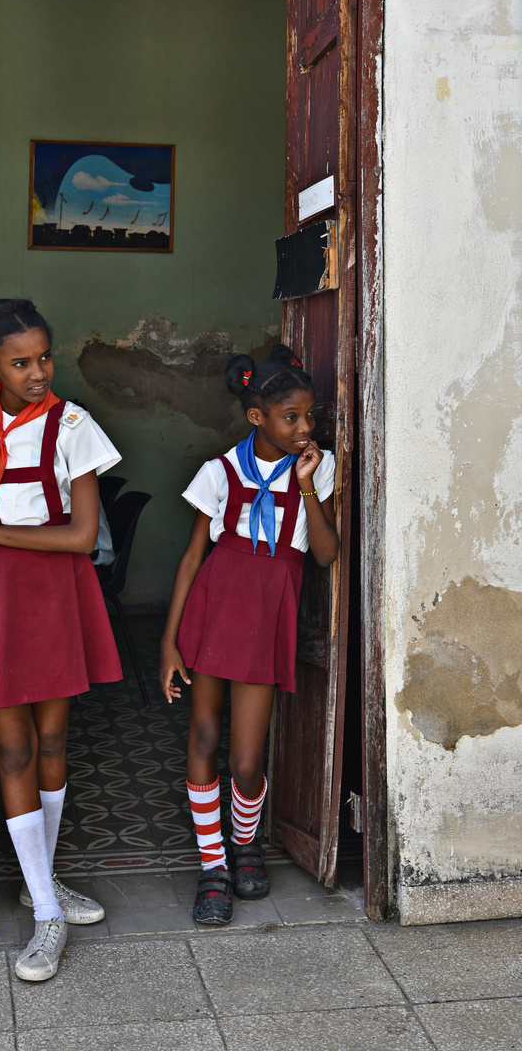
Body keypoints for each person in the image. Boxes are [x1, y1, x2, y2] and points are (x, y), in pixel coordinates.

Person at [0, 298, 123, 981]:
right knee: (10, 742)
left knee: (53, 740)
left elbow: (84, 536)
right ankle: (47, 913)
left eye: (44, 358)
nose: (38, 372)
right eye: (20, 362)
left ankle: (42, 887)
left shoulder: (73, 425)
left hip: (54, 590)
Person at [159, 344, 339, 924]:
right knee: (204, 737)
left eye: (310, 416)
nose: (305, 427)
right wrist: (169, 643)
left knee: (244, 759)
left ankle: (246, 845)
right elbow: (191, 558)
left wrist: (308, 486)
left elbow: (326, 555)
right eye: (292, 417)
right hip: (216, 606)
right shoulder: (221, 471)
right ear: (257, 416)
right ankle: (213, 865)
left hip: (268, 612)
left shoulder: (319, 465)